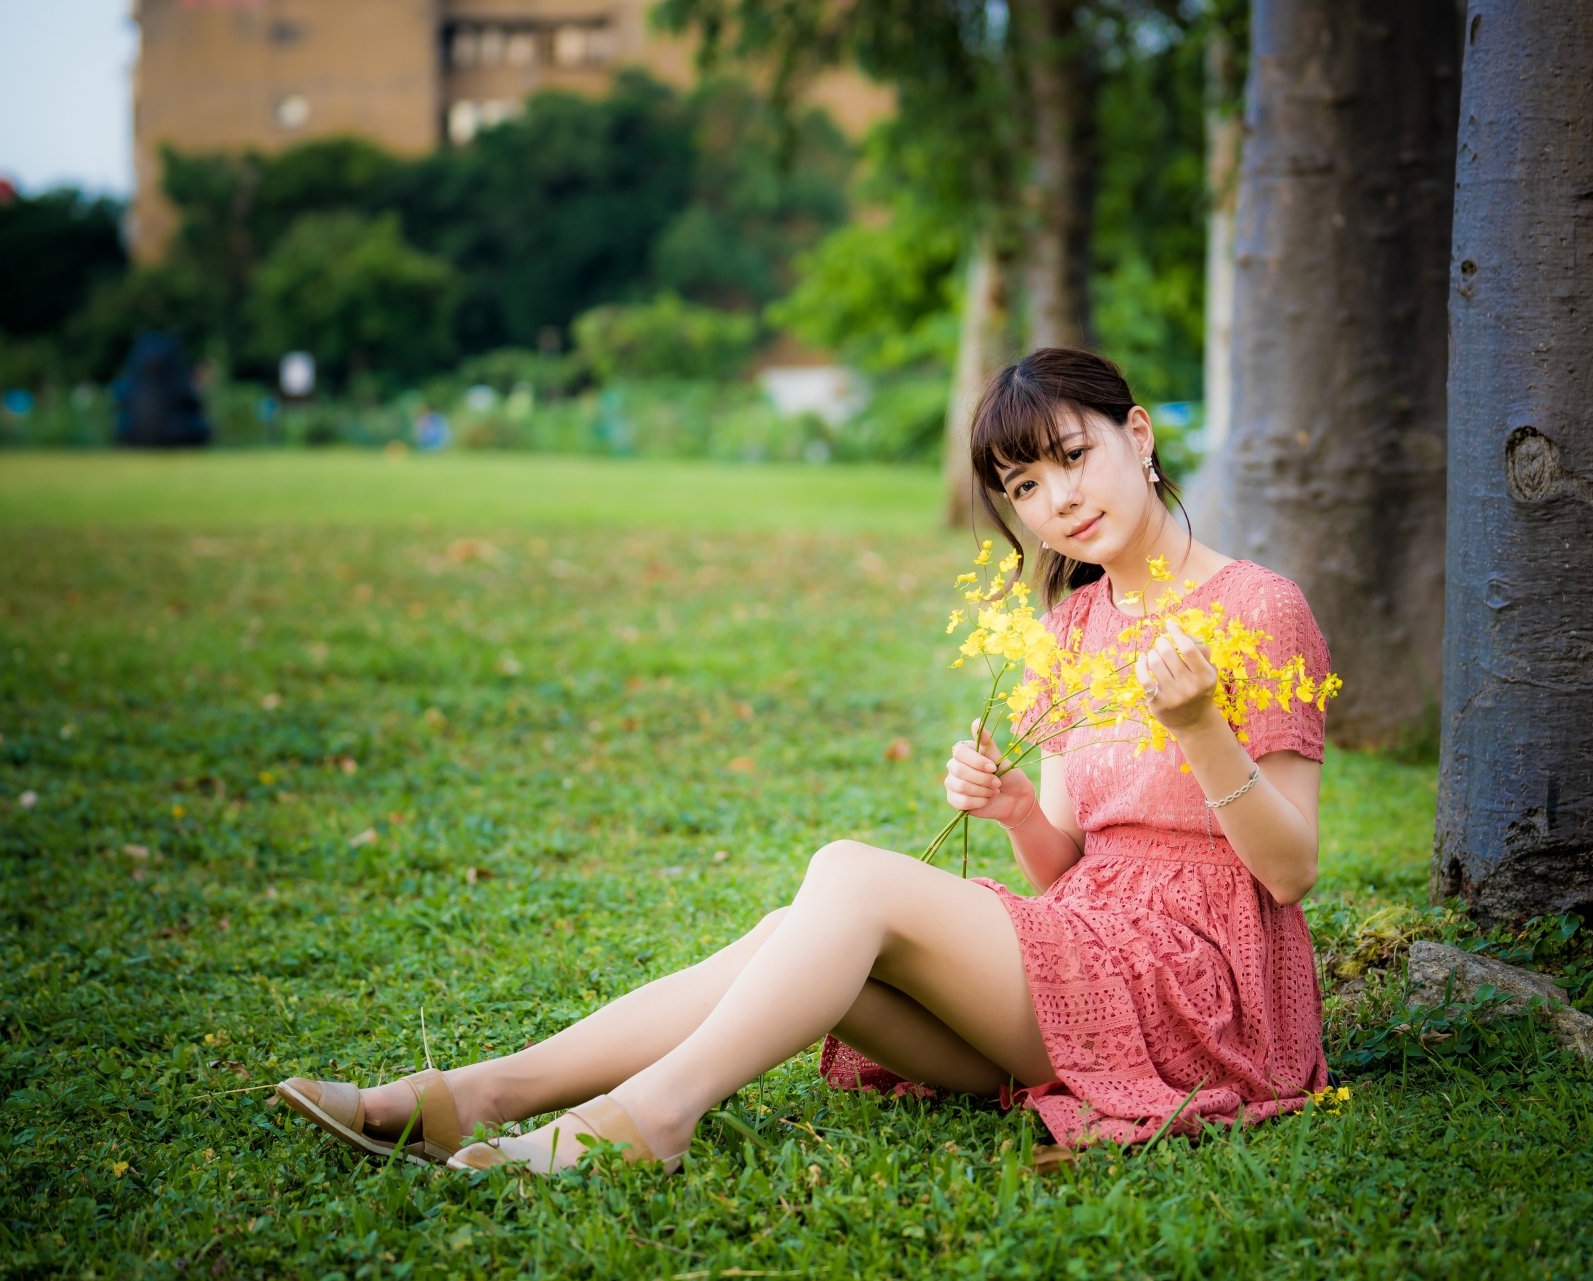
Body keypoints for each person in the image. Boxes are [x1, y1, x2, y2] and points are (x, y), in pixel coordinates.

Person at [276, 347, 1331, 1173]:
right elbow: (1068, 875)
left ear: (1136, 435)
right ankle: (479, 1093)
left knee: (850, 874)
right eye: (1022, 484)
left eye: (1073, 456)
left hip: (1208, 996)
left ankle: (649, 1119)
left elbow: (1288, 873)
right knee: (799, 932)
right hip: (1085, 965)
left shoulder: (1258, 609)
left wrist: (1199, 728)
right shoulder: (1065, 633)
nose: (1056, 499)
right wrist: (1016, 811)